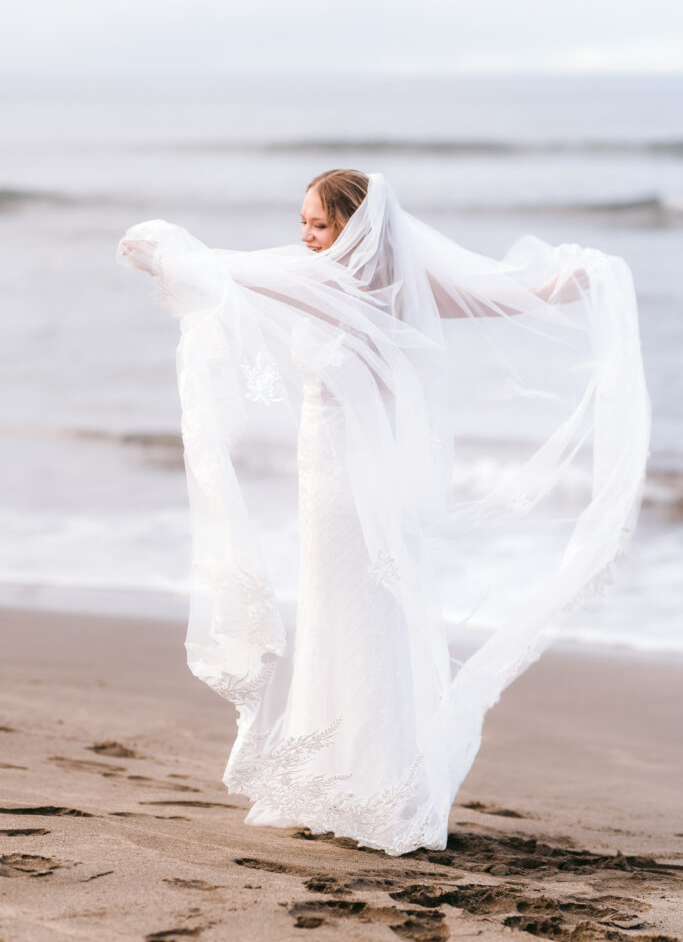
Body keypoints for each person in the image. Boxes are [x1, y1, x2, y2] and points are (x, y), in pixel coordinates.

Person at [117, 169, 650, 856]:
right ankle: (356, 778)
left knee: (351, 615)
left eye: (317, 225)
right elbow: (508, 298)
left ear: (353, 229)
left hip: (341, 485)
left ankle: (359, 783)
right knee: (361, 617)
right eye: (302, 223)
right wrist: (573, 283)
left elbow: (227, 278)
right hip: (363, 479)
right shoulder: (407, 289)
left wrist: (160, 256)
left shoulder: (332, 284)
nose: (303, 237)